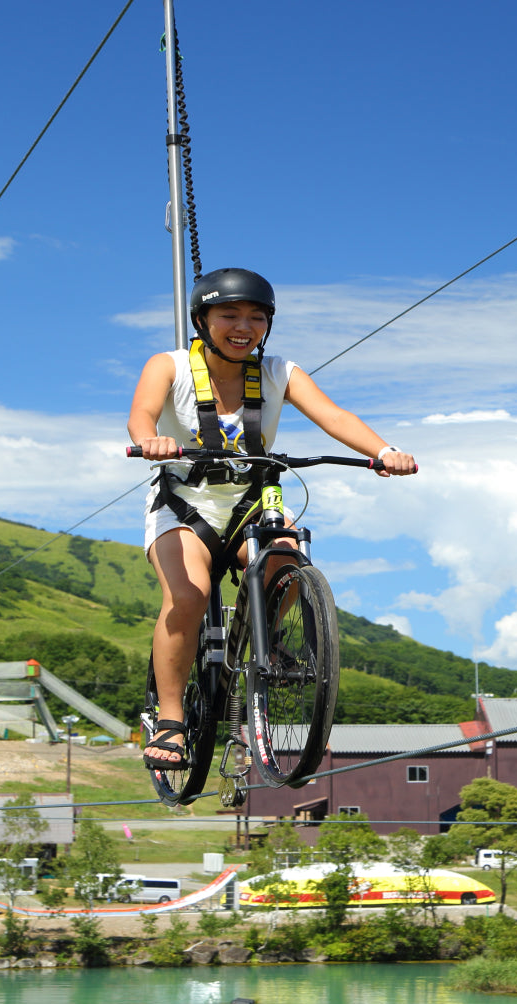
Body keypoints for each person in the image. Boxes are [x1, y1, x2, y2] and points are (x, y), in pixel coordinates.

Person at [128, 268, 416, 769]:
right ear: (203, 320)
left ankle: (262, 648)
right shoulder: (168, 366)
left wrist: (384, 450)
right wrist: (150, 439)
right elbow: (141, 415)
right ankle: (170, 719)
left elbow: (334, 417)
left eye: (257, 317)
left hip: (251, 502)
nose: (244, 326)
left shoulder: (281, 371)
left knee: (288, 560)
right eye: (230, 315)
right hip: (183, 504)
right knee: (189, 595)